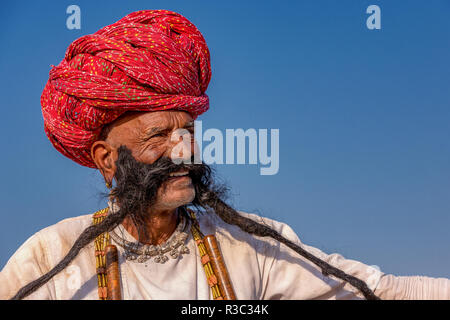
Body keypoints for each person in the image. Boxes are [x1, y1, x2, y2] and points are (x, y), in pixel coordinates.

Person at [0, 10, 448, 300]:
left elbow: (380, 291)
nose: (185, 150)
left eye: (189, 132)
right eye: (159, 136)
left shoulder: (249, 248)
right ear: (106, 159)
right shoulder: (48, 257)